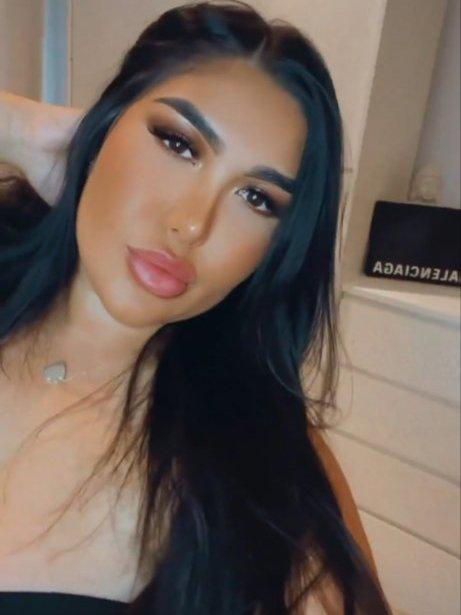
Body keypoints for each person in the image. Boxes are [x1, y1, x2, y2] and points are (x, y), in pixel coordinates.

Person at [0, 2, 392, 613]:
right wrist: (19, 128)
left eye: (256, 198)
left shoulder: (258, 469)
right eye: (178, 143)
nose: (191, 224)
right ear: (104, 124)